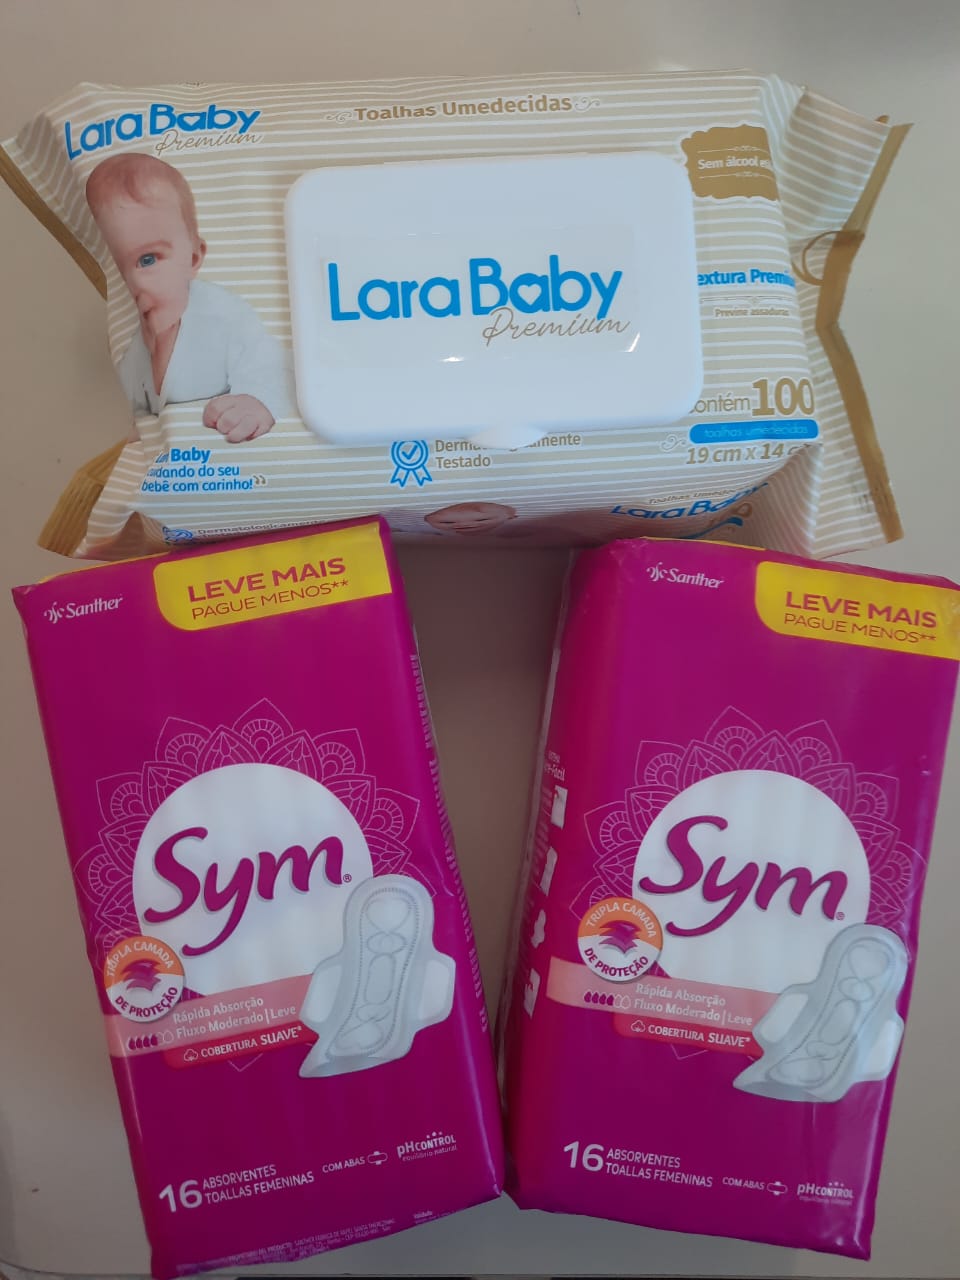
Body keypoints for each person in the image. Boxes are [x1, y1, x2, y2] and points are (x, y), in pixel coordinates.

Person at [85, 152, 291, 442]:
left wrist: (259, 400)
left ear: (194, 258)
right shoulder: (137, 350)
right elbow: (132, 406)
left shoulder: (223, 315)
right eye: (119, 270)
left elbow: (271, 365)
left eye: (147, 260)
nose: (135, 283)